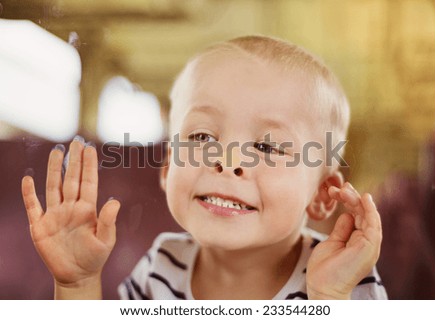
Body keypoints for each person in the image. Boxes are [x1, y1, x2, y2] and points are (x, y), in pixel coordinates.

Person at [21, 35, 387, 300]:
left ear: (323, 195)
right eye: (201, 137)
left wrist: (328, 298)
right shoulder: (160, 266)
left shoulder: (345, 276)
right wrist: (77, 284)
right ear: (167, 170)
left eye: (266, 146)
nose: (226, 161)